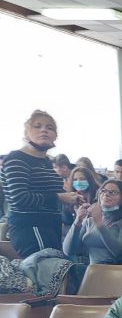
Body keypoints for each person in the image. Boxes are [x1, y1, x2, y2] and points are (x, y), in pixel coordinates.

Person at [1, 110, 81, 257]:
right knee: (47, 267)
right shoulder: (17, 158)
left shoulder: (46, 162)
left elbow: (51, 192)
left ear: (55, 136)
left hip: (50, 225)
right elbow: (19, 198)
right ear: (27, 133)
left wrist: (71, 199)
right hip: (30, 225)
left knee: (57, 267)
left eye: (50, 127)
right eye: (37, 126)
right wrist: (59, 197)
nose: (44, 130)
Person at [63, 179, 122, 265]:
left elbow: (118, 251)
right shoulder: (90, 220)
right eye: (103, 191)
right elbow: (68, 251)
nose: (106, 194)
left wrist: (100, 224)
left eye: (113, 192)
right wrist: (77, 222)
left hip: (116, 269)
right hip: (92, 269)